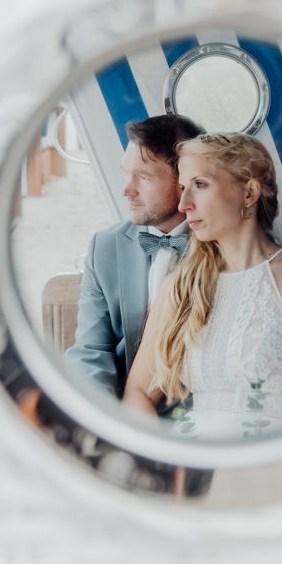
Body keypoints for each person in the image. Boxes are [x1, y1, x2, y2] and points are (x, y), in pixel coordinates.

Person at [122, 132, 282, 439]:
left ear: (249, 193)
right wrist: (169, 457)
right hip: (188, 459)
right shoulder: (180, 285)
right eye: (182, 188)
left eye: (200, 185)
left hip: (270, 460)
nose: (184, 203)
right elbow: (137, 392)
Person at [65, 114, 205, 410]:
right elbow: (91, 351)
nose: (126, 190)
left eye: (142, 176)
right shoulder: (104, 247)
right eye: (126, 173)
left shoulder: (226, 246)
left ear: (185, 181)